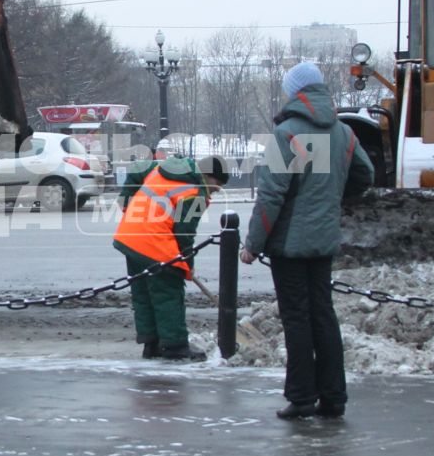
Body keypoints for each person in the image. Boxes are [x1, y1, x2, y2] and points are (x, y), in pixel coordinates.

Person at [242, 62, 374, 419]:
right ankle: (334, 397)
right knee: (323, 315)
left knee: (297, 318)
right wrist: (332, 198)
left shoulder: (286, 134)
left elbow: (271, 196)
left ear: (294, 94)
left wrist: (252, 244)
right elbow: (366, 175)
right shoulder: (344, 132)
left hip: (288, 244)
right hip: (324, 239)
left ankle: (301, 396)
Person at [113, 153, 228, 361]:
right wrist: (186, 265)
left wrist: (128, 206)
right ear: (208, 175)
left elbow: (136, 169)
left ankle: (152, 344)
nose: (216, 189)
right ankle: (175, 346)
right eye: (217, 183)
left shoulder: (166, 169)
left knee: (144, 294)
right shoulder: (195, 193)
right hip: (153, 241)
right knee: (168, 293)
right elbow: (185, 234)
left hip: (130, 236)